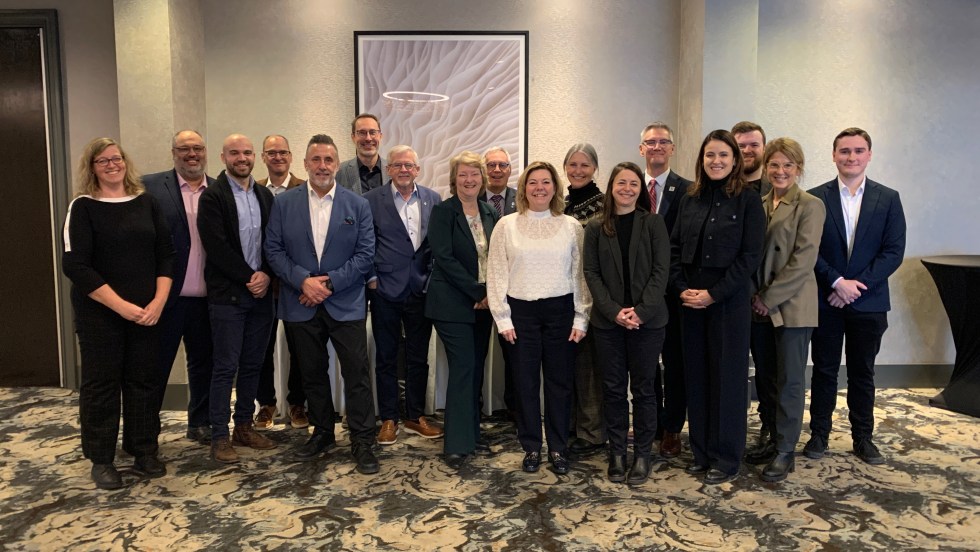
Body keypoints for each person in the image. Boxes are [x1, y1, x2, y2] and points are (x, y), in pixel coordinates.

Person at [62, 137, 175, 489]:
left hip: (146, 312)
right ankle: (101, 458)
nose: (112, 165)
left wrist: (158, 303)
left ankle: (143, 450)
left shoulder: (146, 202)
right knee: (102, 385)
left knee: (144, 381)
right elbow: (75, 266)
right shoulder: (82, 207)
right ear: (91, 168)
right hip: (101, 314)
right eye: (102, 161)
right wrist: (121, 306)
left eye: (116, 158)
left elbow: (166, 256)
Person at [264, 134, 380, 475]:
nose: (322, 166)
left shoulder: (356, 205)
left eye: (328, 160)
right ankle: (323, 432)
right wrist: (302, 281)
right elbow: (273, 250)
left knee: (356, 375)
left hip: (345, 303)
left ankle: (362, 439)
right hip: (301, 303)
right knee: (312, 374)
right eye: (315, 160)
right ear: (305, 164)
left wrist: (326, 284)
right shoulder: (284, 204)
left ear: (336, 164)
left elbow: (365, 254)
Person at [669, 129, 766, 485]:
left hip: (728, 301)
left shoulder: (748, 200)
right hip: (690, 300)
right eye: (710, 155)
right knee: (696, 376)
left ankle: (726, 458)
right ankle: (701, 452)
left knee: (726, 380)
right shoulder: (689, 198)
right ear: (701, 159)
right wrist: (683, 289)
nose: (716, 161)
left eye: (724, 155)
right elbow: (674, 248)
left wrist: (713, 294)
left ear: (735, 160)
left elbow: (749, 257)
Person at [805, 127, 906, 465]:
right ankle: (819, 435)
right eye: (845, 151)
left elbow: (893, 252)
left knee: (863, 373)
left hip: (869, 302)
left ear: (869, 155)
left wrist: (853, 287)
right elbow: (808, 250)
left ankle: (863, 438)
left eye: (858, 151)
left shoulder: (888, 198)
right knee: (824, 370)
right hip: (826, 300)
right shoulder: (815, 197)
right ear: (834, 155)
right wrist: (835, 282)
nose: (851, 157)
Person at [488, 161, 592, 475]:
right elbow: (496, 274)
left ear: (555, 188)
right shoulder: (506, 225)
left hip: (561, 312)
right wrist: (503, 318)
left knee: (560, 385)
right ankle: (532, 446)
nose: (539, 188)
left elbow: (580, 275)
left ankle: (558, 447)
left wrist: (581, 317)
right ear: (524, 189)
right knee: (525, 384)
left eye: (546, 182)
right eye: (533, 182)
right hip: (521, 314)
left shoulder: (571, 226)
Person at [744, 138, 825, 482]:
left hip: (791, 306)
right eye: (774, 165)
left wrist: (769, 297)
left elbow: (803, 261)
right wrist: (753, 295)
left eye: (787, 165)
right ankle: (771, 436)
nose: (780, 171)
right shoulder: (759, 203)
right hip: (759, 305)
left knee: (790, 380)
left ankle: (785, 450)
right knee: (766, 378)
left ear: (798, 169)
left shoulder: (810, 205)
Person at [583, 161, 669, 485]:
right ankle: (617, 452)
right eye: (621, 183)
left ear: (640, 189)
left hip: (648, 323)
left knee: (645, 390)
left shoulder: (653, 223)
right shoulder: (595, 227)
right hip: (608, 324)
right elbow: (590, 272)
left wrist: (641, 312)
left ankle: (643, 454)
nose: (627, 189)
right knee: (614, 389)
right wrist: (614, 312)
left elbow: (662, 271)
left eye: (634, 184)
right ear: (611, 187)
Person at [197, 134, 277, 464]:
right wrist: (250, 277)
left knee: (252, 365)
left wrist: (267, 275)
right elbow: (215, 248)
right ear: (223, 156)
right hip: (228, 296)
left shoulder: (264, 195)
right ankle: (219, 436)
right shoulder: (212, 197)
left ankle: (243, 426)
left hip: (261, 296)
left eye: (246, 152)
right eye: (234, 153)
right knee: (225, 367)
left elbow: (274, 241)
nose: (241, 158)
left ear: (254, 156)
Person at [363, 145, 443, 445]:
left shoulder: (433, 199)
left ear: (417, 169)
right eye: (397, 165)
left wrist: (432, 279)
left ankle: (414, 415)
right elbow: (365, 242)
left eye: (409, 165)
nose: (403, 170)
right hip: (384, 290)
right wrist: (370, 277)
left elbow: (436, 245)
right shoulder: (370, 200)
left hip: (420, 291)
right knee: (385, 356)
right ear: (389, 170)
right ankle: (388, 418)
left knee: (418, 357)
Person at [426, 151, 499, 469]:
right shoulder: (443, 212)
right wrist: (476, 291)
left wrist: (489, 295)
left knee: (475, 369)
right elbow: (444, 257)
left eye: (474, 175)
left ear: (482, 179)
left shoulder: (488, 211)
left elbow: (496, 255)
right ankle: (455, 443)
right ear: (454, 180)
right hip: (452, 303)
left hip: (484, 305)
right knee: (463, 367)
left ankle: (471, 435)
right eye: (463, 175)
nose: (469, 180)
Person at [143, 130, 215, 446]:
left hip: (209, 297)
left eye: (197, 148)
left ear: (205, 152)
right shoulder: (150, 187)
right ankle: (145, 433)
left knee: (204, 366)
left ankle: (199, 423)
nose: (191, 154)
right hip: (166, 298)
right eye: (184, 149)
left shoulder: (218, 189)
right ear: (173, 152)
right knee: (155, 368)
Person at [639, 122, 692, 458]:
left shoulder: (688, 190)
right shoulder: (628, 187)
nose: (656, 147)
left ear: (672, 148)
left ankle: (672, 427)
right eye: (650, 142)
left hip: (673, 292)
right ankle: (650, 422)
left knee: (674, 363)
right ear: (641, 148)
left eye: (663, 142)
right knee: (644, 364)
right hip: (639, 293)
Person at [253, 134, 307, 431]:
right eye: (271, 153)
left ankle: (298, 404)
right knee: (262, 348)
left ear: (290, 156)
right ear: (264, 157)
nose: (277, 157)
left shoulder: (304, 188)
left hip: (296, 283)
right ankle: (267, 404)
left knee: (300, 347)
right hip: (264, 285)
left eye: (282, 152)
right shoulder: (254, 189)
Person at [562, 143, 606, 458]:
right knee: (569, 364)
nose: (578, 170)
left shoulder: (604, 206)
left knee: (590, 366)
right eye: (573, 165)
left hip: (591, 294)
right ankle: (571, 426)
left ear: (594, 169)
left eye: (585, 165)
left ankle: (592, 433)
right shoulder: (560, 205)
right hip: (562, 296)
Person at [482, 146, 518, 417]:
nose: (496, 170)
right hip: (479, 292)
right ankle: (477, 408)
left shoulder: (524, 199)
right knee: (476, 353)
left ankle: (513, 408)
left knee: (514, 355)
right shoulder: (469, 199)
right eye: (491, 165)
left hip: (515, 290)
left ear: (510, 169)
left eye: (502, 165)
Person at [336, 113, 384, 195]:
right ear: (353, 137)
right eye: (362, 133)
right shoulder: (338, 172)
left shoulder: (394, 170)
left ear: (380, 136)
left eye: (372, 132)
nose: (368, 138)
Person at [731, 121, 772, 197]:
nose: (747, 151)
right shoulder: (720, 186)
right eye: (741, 146)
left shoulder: (776, 188)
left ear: (764, 149)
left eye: (754, 145)